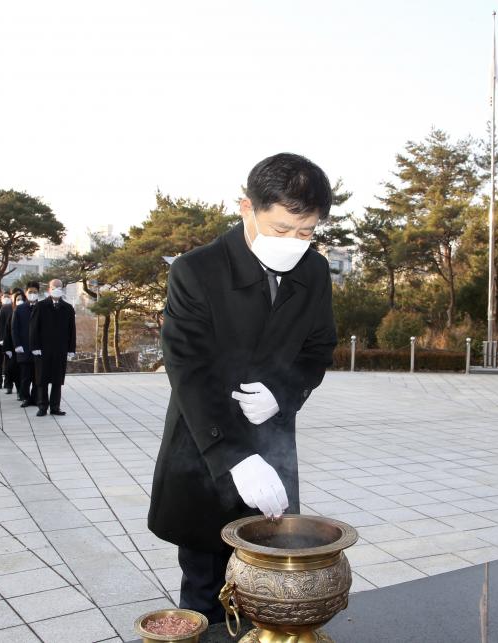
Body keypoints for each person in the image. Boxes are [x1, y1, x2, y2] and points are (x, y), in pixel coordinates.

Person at [147, 153, 337, 623]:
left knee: (271, 587)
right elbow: (188, 370)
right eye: (281, 228)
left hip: (273, 449)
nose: (293, 243)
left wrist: (283, 394)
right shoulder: (196, 270)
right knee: (206, 592)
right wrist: (235, 457)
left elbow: (318, 349)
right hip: (205, 450)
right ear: (247, 207)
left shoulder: (313, 272)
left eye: (306, 232)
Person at [29, 279, 76, 417]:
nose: (56, 289)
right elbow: (33, 328)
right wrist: (34, 346)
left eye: (59, 287)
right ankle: (42, 406)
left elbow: (72, 330)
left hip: (60, 349)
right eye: (54, 287)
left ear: (63, 289)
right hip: (43, 349)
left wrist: (71, 348)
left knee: (57, 379)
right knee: (42, 379)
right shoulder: (41, 306)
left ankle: (55, 407)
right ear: (49, 289)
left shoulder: (68, 308)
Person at [12, 282, 39, 407]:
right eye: (30, 292)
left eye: (35, 292)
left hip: (38, 348)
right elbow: (14, 328)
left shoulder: (41, 308)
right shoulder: (20, 308)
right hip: (23, 347)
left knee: (37, 376)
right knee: (25, 376)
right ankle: (25, 398)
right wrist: (17, 345)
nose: (32, 294)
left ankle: (36, 398)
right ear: (26, 293)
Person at [0, 289, 19, 393]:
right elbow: (0, 324)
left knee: (19, 366)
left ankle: (19, 388)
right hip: (8, 340)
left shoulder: (22, 308)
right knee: (8, 365)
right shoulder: (5, 308)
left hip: (19, 341)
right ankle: (8, 385)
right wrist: (1, 338)